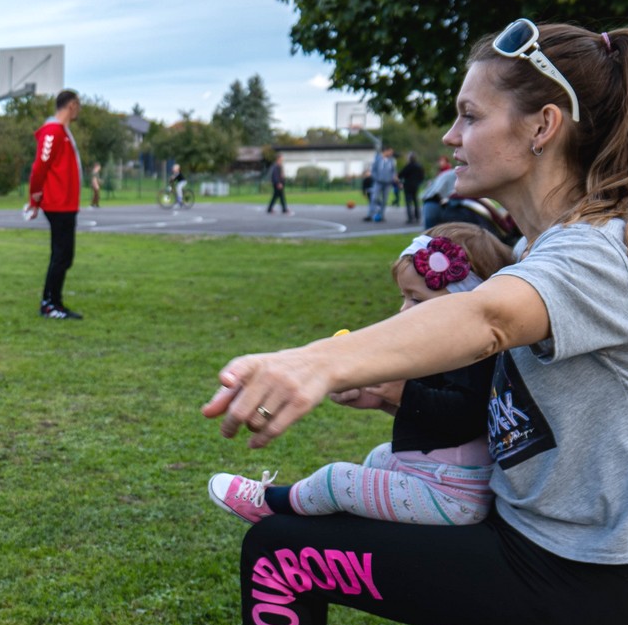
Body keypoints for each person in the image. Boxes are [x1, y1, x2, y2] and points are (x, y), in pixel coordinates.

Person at [140, 20, 628, 625]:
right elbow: (521, 396)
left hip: (589, 581)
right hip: (557, 548)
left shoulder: (596, 257)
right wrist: (397, 393)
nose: (450, 136)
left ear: (542, 127)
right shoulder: (568, 244)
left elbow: (485, 319)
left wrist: (318, 364)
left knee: (279, 553)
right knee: (288, 542)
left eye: (470, 115)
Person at [205, 225, 513, 530]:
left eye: (417, 301)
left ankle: (270, 505)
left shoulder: (476, 357)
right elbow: (431, 416)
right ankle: (353, 521)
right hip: (437, 473)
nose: (404, 310)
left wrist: (402, 393)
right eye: (403, 297)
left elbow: (466, 418)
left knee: (335, 480)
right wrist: (380, 399)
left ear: (464, 305)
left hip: (454, 494)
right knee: (380, 457)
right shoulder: (445, 350)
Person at [28, 89, 84, 319]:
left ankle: (54, 302)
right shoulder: (53, 131)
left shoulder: (63, 132)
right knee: (61, 255)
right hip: (58, 204)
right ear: (71, 105)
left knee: (64, 255)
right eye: (78, 105)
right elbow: (40, 166)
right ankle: (49, 304)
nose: (78, 110)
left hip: (67, 204)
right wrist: (35, 198)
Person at [418, 156, 456, 228]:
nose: (440, 163)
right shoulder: (445, 173)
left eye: (442, 161)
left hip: (432, 202)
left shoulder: (448, 172)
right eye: (439, 161)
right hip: (435, 202)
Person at [366, 145, 397, 222]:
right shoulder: (378, 159)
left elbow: (393, 171)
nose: (391, 153)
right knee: (374, 198)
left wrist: (393, 177)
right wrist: (376, 178)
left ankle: (381, 215)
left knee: (384, 200)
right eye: (390, 151)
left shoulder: (391, 161)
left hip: (387, 183)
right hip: (378, 182)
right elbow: (373, 170)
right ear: (385, 151)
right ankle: (370, 215)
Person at [398, 150, 426, 224]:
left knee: (408, 202)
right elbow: (422, 176)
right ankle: (417, 216)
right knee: (415, 201)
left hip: (408, 186)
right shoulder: (419, 166)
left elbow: (401, 174)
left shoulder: (408, 166)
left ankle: (410, 218)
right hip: (415, 186)